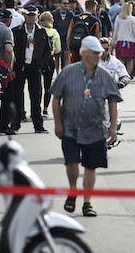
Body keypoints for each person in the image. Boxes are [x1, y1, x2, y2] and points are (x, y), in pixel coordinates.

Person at [51, 36, 122, 218]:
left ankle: (87, 202)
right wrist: (58, 124)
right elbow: (56, 98)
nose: (99, 56)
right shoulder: (68, 72)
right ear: (84, 54)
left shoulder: (104, 75)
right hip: (70, 127)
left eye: (100, 53)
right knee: (72, 163)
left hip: (96, 129)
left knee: (91, 166)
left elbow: (113, 100)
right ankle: (73, 192)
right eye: (95, 53)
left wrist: (113, 127)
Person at [10, 6, 50, 134]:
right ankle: (15, 125)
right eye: (28, 15)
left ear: (37, 16)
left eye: (33, 15)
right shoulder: (16, 31)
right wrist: (13, 67)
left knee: (36, 97)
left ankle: (38, 126)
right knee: (17, 96)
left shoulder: (41, 31)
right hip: (20, 67)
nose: (31, 17)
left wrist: (41, 64)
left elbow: (48, 50)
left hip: (35, 67)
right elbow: (11, 50)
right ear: (24, 15)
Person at [40, 11, 62, 117]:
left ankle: (35, 107)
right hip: (49, 60)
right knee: (47, 86)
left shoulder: (38, 31)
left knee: (36, 86)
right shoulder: (54, 33)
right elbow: (58, 50)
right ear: (49, 20)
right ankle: (45, 108)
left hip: (37, 60)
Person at [67, 0, 102, 64]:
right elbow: (98, 39)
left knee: (75, 70)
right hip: (89, 51)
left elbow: (68, 36)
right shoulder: (96, 21)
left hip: (75, 49)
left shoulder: (75, 19)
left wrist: (70, 50)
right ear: (93, 7)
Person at [110, 2, 135, 76]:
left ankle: (121, 74)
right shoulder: (132, 19)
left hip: (120, 40)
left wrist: (113, 41)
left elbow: (115, 31)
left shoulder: (118, 18)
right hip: (131, 41)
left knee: (120, 59)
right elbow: (134, 32)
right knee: (130, 60)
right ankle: (128, 75)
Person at [52, 0, 74, 66]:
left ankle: (66, 71)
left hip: (67, 37)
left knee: (67, 55)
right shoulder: (54, 13)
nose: (66, 5)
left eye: (67, 3)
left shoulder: (71, 14)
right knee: (57, 56)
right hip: (57, 37)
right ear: (60, 4)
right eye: (64, 3)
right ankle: (58, 74)